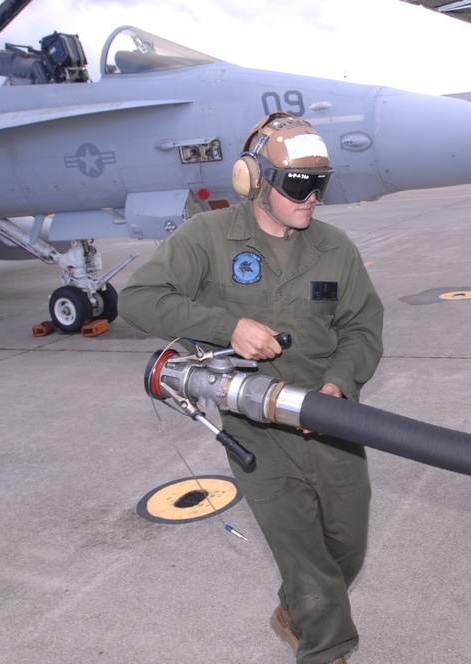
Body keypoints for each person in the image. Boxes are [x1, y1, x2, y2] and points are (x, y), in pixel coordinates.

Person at [119, 112, 384, 664]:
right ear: (254, 179)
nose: (312, 198)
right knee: (306, 557)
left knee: (346, 547)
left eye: (321, 184)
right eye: (298, 185)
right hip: (253, 422)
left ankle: (293, 611)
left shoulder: (335, 248)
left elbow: (362, 328)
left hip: (329, 415)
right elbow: (138, 298)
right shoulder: (208, 238)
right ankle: (324, 648)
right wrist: (227, 328)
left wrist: (339, 385)